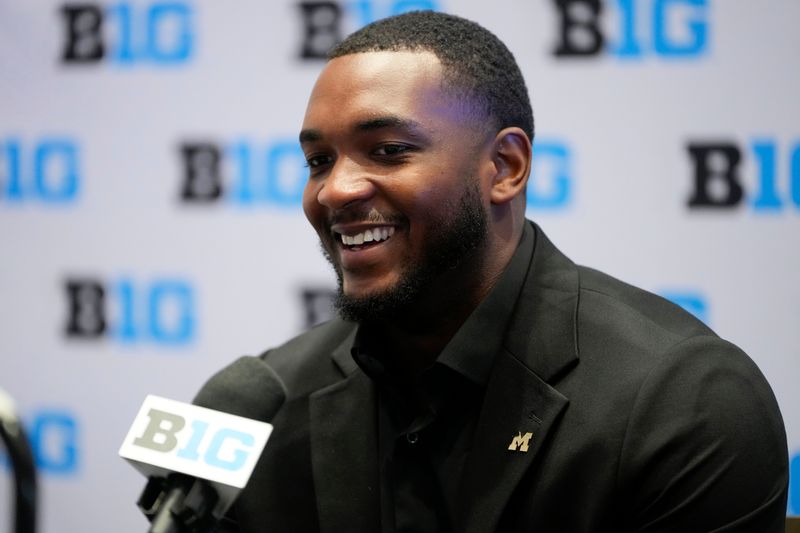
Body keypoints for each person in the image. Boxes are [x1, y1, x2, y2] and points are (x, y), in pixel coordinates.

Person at [215, 10, 789, 532]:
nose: (336, 190)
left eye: (388, 150)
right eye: (319, 161)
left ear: (505, 166)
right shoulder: (262, 405)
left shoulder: (682, 401)